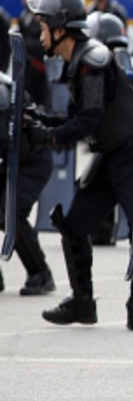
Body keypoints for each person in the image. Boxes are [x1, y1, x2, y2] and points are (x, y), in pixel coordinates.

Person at [23, 0, 133, 331]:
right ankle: (83, 302)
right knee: (74, 225)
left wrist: (49, 136)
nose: (39, 33)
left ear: (60, 27)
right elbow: (80, 118)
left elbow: (90, 118)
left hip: (130, 152)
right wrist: (40, 121)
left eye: (43, 25)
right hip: (109, 153)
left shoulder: (92, 58)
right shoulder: (77, 59)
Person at [0, 71, 56, 296]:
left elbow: (5, 136)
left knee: (12, 213)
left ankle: (40, 273)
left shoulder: (3, 91)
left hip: (32, 160)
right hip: (11, 159)